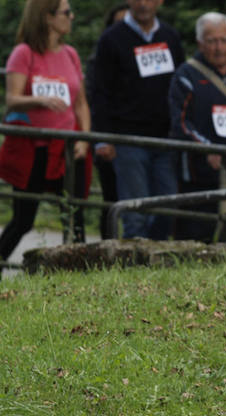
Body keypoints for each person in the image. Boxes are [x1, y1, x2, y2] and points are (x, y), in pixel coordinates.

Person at [0, 0, 90, 269]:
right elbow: (12, 99)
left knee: (74, 215)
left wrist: (84, 138)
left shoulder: (71, 54)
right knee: (24, 219)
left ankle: (82, 277)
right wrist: (39, 100)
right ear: (47, 17)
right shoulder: (23, 53)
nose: (71, 17)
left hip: (68, 146)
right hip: (35, 148)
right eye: (66, 12)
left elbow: (81, 103)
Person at [92, 0, 185, 240]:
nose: (144, 3)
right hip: (127, 140)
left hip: (165, 140)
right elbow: (99, 91)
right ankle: (134, 271)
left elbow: (181, 87)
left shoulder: (170, 37)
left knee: (168, 207)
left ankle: (154, 262)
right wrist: (102, 138)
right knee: (135, 214)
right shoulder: (111, 39)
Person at [168, 12, 226, 245]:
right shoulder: (186, 75)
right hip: (200, 175)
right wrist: (206, 149)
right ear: (200, 43)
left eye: (223, 40)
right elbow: (180, 123)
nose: (218, 48)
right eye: (211, 41)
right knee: (196, 239)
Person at [85, 2, 128, 240]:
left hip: (133, 134)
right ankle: (107, 246)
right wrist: (101, 138)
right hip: (108, 135)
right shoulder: (98, 60)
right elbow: (94, 98)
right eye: (118, 23)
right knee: (111, 197)